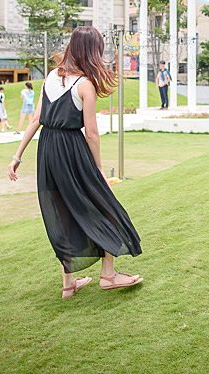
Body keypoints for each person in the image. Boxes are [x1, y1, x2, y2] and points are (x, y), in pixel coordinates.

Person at [8, 26, 143, 299]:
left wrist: (17, 156)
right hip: (72, 149)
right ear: (92, 52)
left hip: (47, 149)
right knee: (104, 205)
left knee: (62, 212)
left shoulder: (49, 77)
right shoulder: (85, 85)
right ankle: (108, 275)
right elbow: (91, 133)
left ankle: (68, 283)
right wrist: (100, 170)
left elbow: (36, 119)